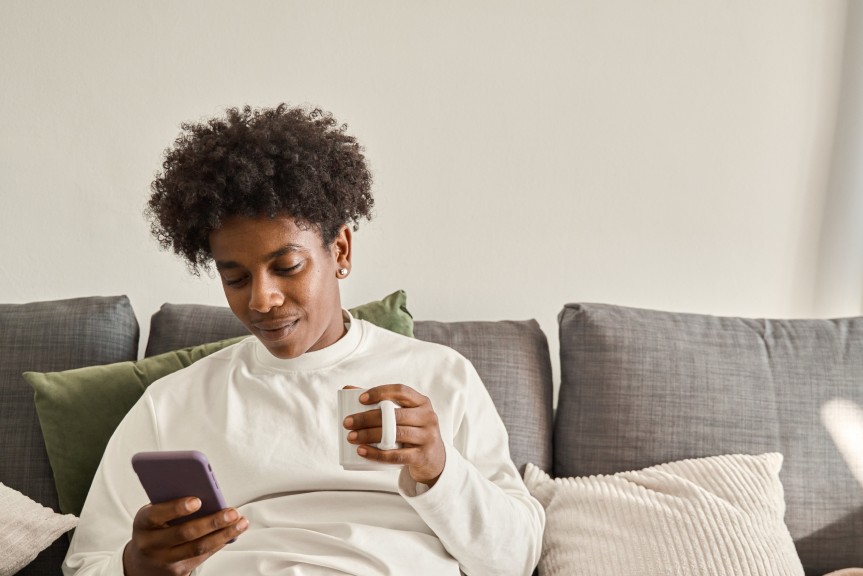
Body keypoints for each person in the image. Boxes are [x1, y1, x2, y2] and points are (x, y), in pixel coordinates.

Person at [64, 104, 544, 576]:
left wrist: (439, 468)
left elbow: (515, 561)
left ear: (340, 251)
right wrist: (137, 566)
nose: (262, 299)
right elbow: (86, 564)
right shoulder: (172, 403)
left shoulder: (440, 375)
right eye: (235, 279)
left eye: (287, 267)